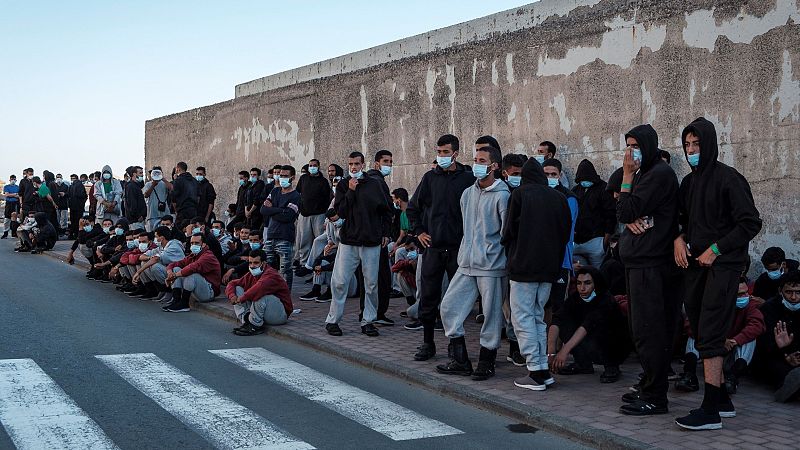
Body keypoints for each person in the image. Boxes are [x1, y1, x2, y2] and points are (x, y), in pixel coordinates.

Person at [672, 117, 763, 430]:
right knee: (699, 329)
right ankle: (722, 398)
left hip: (724, 267)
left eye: (697, 144)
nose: (692, 150)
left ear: (709, 144)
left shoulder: (729, 179)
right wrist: (678, 239)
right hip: (695, 267)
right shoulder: (688, 183)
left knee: (710, 332)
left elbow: (750, 223)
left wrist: (717, 249)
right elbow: (682, 220)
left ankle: (709, 410)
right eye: (687, 145)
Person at [615, 124, 681, 416]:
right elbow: (624, 209)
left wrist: (627, 179)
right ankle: (649, 383)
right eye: (627, 146)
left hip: (652, 264)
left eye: (636, 146)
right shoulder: (645, 173)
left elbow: (627, 210)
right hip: (637, 262)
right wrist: (628, 212)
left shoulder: (658, 174)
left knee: (650, 329)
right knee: (640, 329)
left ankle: (656, 395)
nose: (630, 153)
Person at [436, 146, 509, 381]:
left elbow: (506, 233)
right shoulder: (468, 193)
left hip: (491, 266)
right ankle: (460, 359)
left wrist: (496, 256)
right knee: (448, 307)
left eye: (482, 160)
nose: (477, 164)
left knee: (491, 316)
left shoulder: (502, 195)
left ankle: (487, 362)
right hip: (466, 263)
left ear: (494, 166)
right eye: (475, 159)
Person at [502, 157, 572, 391]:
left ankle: (535, 371)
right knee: (538, 317)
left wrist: (512, 252)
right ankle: (542, 368)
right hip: (549, 268)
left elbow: (509, 230)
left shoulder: (520, 195)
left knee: (522, 318)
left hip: (523, 266)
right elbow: (565, 233)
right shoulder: (560, 198)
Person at [407, 134, 475, 360]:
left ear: (456, 153)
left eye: (446, 152)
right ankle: (428, 344)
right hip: (433, 249)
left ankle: (456, 344)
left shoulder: (468, 179)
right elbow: (412, 208)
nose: (442, 156)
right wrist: (419, 232)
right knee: (428, 296)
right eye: (439, 152)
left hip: (458, 249)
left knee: (457, 299)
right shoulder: (429, 179)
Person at [324, 151, 393, 337]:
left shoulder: (375, 184)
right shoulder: (344, 185)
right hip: (349, 241)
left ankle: (368, 321)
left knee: (371, 284)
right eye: (350, 164)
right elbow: (341, 212)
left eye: (356, 164)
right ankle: (333, 320)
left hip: (371, 241)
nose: (353, 167)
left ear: (363, 165)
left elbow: (387, 210)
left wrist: (386, 232)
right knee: (339, 282)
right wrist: (351, 191)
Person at [675, 278, 765, 396]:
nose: (745, 296)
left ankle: (732, 378)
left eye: (746, 292)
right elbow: (692, 325)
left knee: (750, 339)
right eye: (740, 294)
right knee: (694, 336)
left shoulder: (750, 304)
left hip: (732, 348)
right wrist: (719, 339)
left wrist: (735, 340)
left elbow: (757, 325)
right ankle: (689, 375)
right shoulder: (712, 303)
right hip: (713, 345)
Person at [548, 267, 631, 383]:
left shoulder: (605, 299)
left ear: (596, 284)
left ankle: (611, 366)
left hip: (614, 345)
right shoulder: (575, 298)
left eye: (587, 283)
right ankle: (582, 363)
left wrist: (564, 351)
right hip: (590, 341)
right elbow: (557, 319)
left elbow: (588, 325)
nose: (582, 288)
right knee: (565, 322)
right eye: (579, 283)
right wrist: (551, 353)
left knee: (604, 329)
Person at [753, 270, 800, 403]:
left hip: (796, 356)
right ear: (781, 291)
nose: (794, 297)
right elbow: (761, 346)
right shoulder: (769, 309)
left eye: (798, 292)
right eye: (789, 292)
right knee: (779, 370)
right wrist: (783, 352)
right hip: (773, 357)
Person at [361, 149, 396, 325]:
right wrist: (385, 232)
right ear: (376, 163)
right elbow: (385, 210)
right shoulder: (377, 182)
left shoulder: (368, 180)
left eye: (390, 162)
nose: (389, 165)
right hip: (376, 236)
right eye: (386, 161)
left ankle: (366, 311)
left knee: (368, 276)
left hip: (366, 235)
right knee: (381, 277)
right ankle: (378, 312)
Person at [226, 250, 294, 336]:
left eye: (256, 263)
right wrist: (232, 296)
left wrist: (241, 298)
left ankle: (254, 325)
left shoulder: (271, 275)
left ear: (264, 263)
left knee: (261, 295)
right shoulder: (252, 274)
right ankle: (247, 321)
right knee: (237, 289)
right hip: (263, 312)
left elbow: (259, 288)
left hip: (279, 315)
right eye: (250, 263)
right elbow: (232, 283)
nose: (252, 266)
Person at [542, 159, 578, 314]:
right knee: (542, 305)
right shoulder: (536, 194)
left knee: (558, 306)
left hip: (561, 260)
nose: (550, 177)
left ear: (560, 175)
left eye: (553, 174)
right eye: (546, 174)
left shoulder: (569, 198)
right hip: (540, 260)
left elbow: (564, 228)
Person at [260, 165, 301, 288]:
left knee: (285, 271)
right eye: (280, 175)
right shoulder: (275, 191)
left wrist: (272, 209)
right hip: (271, 235)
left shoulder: (296, 196)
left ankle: (285, 296)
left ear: (292, 178)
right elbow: (263, 210)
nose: (281, 178)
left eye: (285, 176)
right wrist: (280, 210)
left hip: (284, 237)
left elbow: (288, 217)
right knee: (267, 269)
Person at [572, 159, 616, 268]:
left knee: (597, 274)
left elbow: (611, 215)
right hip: (577, 242)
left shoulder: (604, 189)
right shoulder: (576, 190)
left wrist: (605, 241)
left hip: (596, 241)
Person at [164, 233, 221, 312]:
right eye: (192, 243)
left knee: (192, 274)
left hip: (209, 292)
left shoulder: (208, 256)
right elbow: (174, 264)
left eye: (196, 243)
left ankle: (184, 304)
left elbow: (193, 267)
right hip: (196, 290)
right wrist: (170, 273)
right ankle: (176, 301)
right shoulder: (193, 255)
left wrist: (174, 276)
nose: (193, 245)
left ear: (203, 244)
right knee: (176, 268)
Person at [134, 225, 187, 304]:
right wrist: (149, 258)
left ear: (161, 238)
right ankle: (162, 290)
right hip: (169, 272)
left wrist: (138, 272)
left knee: (155, 266)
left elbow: (156, 259)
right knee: (144, 263)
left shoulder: (174, 246)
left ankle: (169, 291)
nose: (155, 239)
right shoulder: (161, 247)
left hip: (177, 273)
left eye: (156, 237)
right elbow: (142, 256)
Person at [294, 159, 331, 268]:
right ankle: (304, 263)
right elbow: (298, 193)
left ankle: (317, 264)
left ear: (318, 166)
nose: (312, 167)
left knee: (319, 240)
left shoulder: (323, 181)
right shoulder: (303, 178)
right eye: (310, 165)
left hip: (319, 215)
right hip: (304, 215)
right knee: (304, 240)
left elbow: (326, 198)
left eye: (314, 165)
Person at [143, 167, 172, 232]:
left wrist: (163, 179)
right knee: (153, 233)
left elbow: (172, 188)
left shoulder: (164, 183)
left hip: (165, 214)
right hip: (152, 214)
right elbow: (146, 195)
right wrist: (153, 185)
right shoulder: (148, 184)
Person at [123, 166, 146, 230]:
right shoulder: (131, 186)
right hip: (135, 221)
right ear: (134, 174)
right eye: (140, 173)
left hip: (139, 220)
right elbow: (132, 203)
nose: (142, 175)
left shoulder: (136, 185)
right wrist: (138, 216)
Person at [67, 174, 88, 239]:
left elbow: (68, 195)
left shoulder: (71, 186)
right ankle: (76, 234)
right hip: (79, 206)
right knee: (78, 220)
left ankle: (71, 234)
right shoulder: (80, 185)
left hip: (72, 206)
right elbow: (82, 195)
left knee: (72, 220)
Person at [2, 174, 20, 239]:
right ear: (9, 180)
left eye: (14, 179)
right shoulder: (6, 186)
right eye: (12, 179)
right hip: (9, 204)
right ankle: (5, 233)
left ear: (16, 180)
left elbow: (19, 196)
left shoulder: (18, 187)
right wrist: (15, 194)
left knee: (15, 218)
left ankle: (14, 233)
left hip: (16, 203)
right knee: (7, 218)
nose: (13, 180)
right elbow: (7, 195)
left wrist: (11, 194)